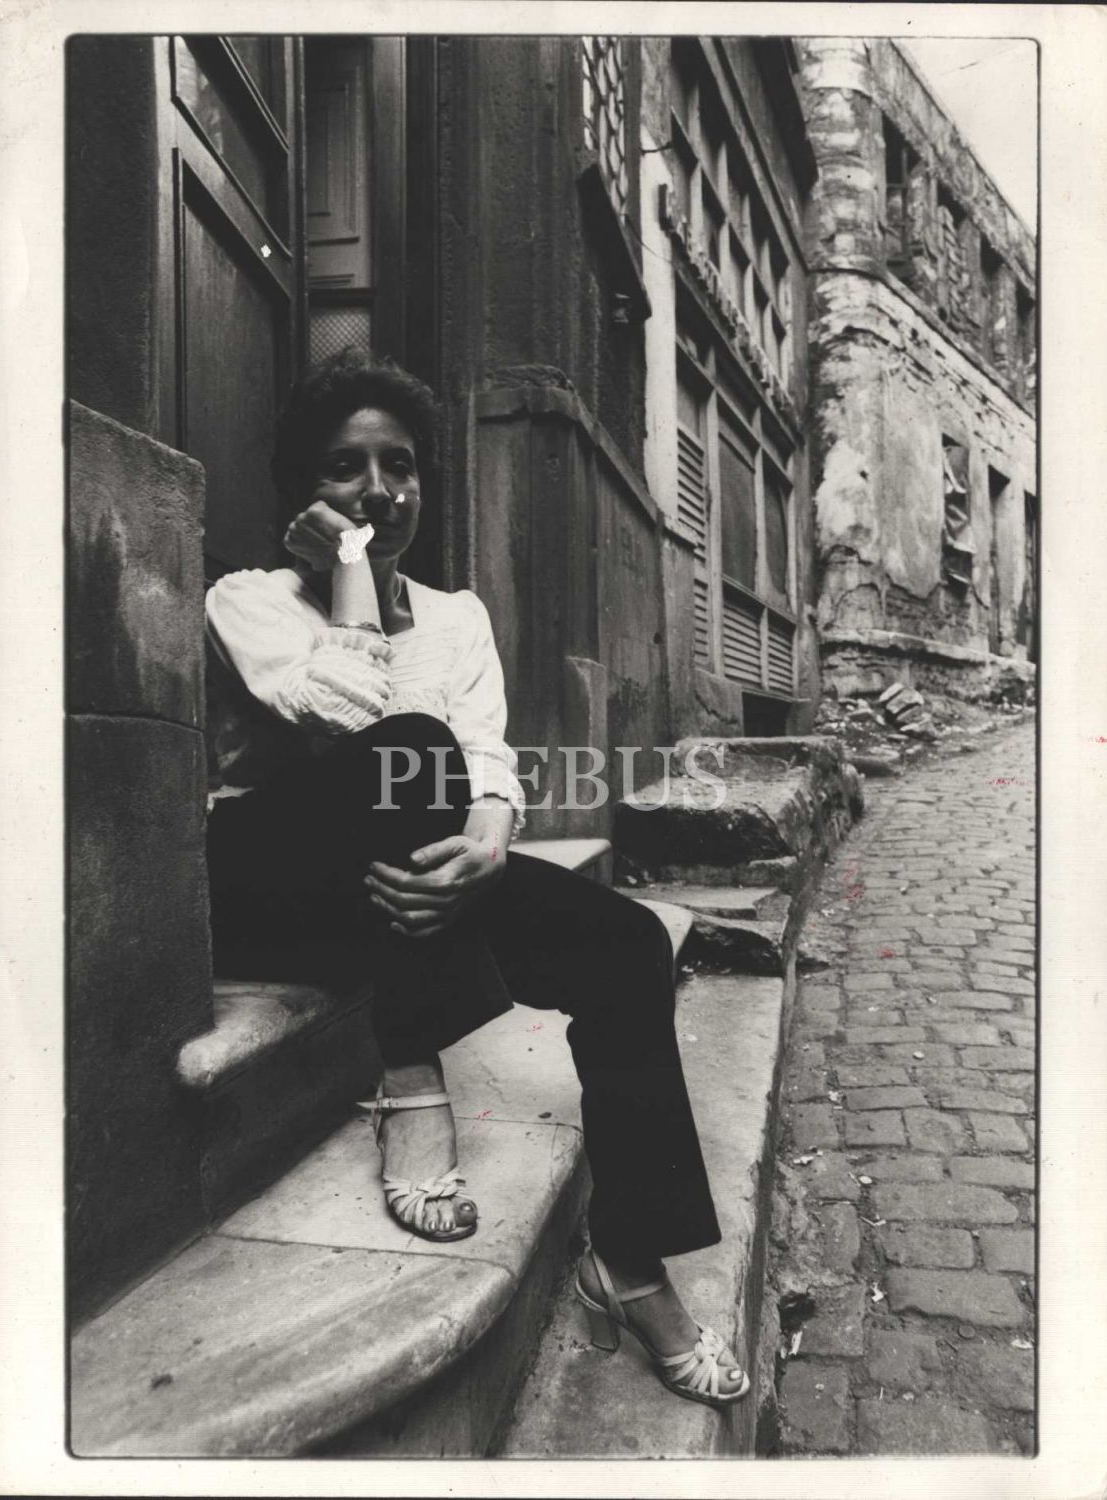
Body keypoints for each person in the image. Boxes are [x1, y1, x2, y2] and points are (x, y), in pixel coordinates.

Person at [203, 348, 750, 1409]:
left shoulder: (457, 616)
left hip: (406, 879)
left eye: (400, 466)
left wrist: (492, 841)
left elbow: (486, 759)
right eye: (345, 469)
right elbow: (347, 722)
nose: (379, 491)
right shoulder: (248, 599)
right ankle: (411, 1076)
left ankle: (630, 1261)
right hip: (279, 882)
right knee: (408, 743)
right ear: (301, 493)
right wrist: (353, 577)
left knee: (627, 942)